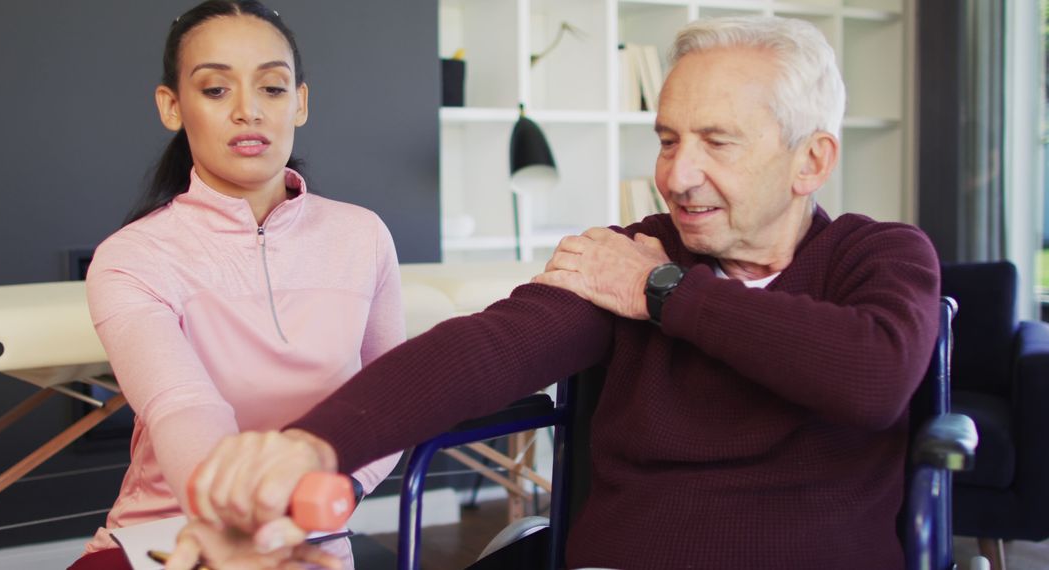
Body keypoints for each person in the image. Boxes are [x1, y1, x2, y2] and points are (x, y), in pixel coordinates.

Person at [172, 15, 940, 569]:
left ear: (811, 161)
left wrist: (668, 293)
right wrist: (313, 445)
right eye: (668, 139)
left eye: (717, 142)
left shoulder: (877, 256)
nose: (676, 174)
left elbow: (870, 380)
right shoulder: (631, 254)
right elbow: (489, 346)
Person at [68, 2, 403, 569]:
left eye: (272, 89)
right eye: (217, 90)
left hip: (312, 538)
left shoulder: (362, 235)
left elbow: (393, 395)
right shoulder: (131, 257)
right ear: (172, 106)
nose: (249, 111)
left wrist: (318, 504)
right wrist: (234, 524)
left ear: (299, 102)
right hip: (171, 534)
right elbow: (184, 408)